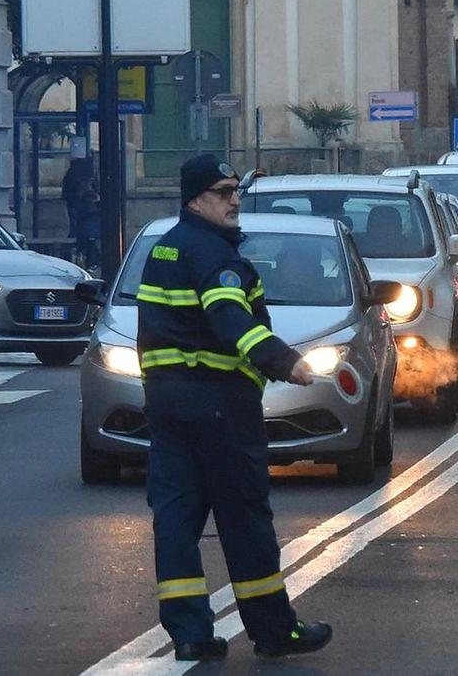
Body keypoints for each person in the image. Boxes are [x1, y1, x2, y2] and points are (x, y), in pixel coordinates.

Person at [135, 153, 334, 661]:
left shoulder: (164, 250)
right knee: (244, 517)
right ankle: (273, 630)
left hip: (167, 405)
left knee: (177, 517)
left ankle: (189, 634)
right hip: (220, 405)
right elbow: (229, 318)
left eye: (235, 190)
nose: (235, 200)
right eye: (224, 192)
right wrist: (284, 361)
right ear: (196, 199)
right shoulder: (214, 257)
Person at [62, 154, 99, 267]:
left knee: (79, 231)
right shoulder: (82, 172)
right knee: (81, 232)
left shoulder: (75, 171)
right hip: (81, 207)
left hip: (79, 206)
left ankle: (82, 254)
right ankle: (86, 257)